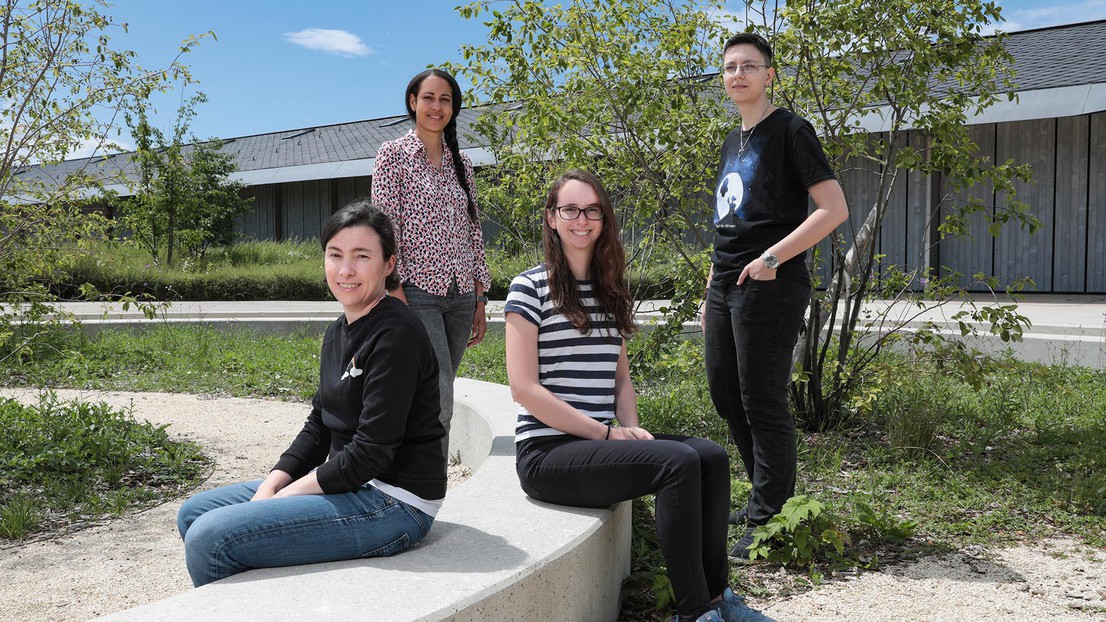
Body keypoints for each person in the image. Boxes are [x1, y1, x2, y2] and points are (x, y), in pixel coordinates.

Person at [506, 169, 771, 622]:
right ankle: (695, 614)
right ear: (552, 218)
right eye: (570, 210)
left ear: (604, 219)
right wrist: (606, 436)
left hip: (599, 442)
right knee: (677, 462)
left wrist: (629, 430)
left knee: (709, 456)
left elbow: (620, 378)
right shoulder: (528, 288)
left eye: (592, 210)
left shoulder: (611, 290)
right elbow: (523, 389)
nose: (581, 220)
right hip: (548, 454)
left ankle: (716, 597)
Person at [176, 201, 446, 587]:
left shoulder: (396, 333)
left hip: (393, 501)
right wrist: (272, 484)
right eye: (335, 255)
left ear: (388, 265)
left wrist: (285, 499)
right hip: (350, 482)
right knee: (193, 513)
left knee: (210, 539)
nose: (345, 270)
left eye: (361, 257)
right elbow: (320, 423)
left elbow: (372, 452)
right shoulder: (339, 330)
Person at [703, 32, 849, 561]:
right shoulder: (732, 139)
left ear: (769, 74)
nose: (737, 74)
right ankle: (768, 493)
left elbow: (833, 209)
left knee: (762, 399)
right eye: (729, 67)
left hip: (771, 282)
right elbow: (729, 223)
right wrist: (709, 291)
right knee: (726, 393)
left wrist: (772, 259)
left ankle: (770, 517)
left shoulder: (790, 130)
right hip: (726, 282)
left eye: (749, 66)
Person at [371, 68, 492, 457]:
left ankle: (407, 465)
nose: (436, 107)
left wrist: (479, 298)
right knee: (439, 392)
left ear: (453, 107)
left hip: (460, 294)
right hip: (417, 291)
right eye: (429, 98)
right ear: (413, 102)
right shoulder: (393, 156)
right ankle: (428, 486)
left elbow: (473, 230)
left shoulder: (463, 164)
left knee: (437, 387)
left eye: (445, 100)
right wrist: (395, 291)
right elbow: (385, 227)